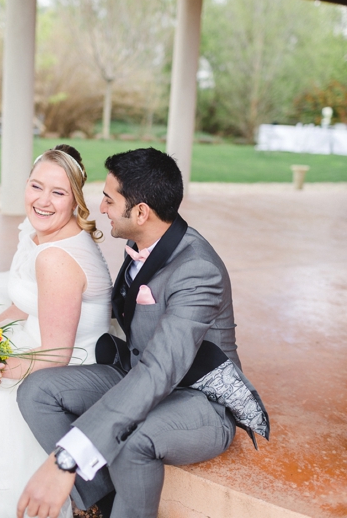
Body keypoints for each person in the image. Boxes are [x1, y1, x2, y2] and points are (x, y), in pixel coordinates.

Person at [16, 148, 268, 518]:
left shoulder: (198, 270)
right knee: (37, 391)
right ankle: (102, 502)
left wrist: (66, 459)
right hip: (135, 371)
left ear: (140, 212)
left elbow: (161, 371)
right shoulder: (143, 240)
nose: (100, 207)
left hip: (197, 399)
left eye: (109, 199)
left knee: (135, 439)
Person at [0, 146, 112, 518]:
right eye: (36, 186)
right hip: (42, 337)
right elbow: (25, 302)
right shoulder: (38, 234)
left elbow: (55, 355)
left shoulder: (56, 258)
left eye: (58, 192)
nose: (43, 201)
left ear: (76, 200)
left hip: (68, 360)